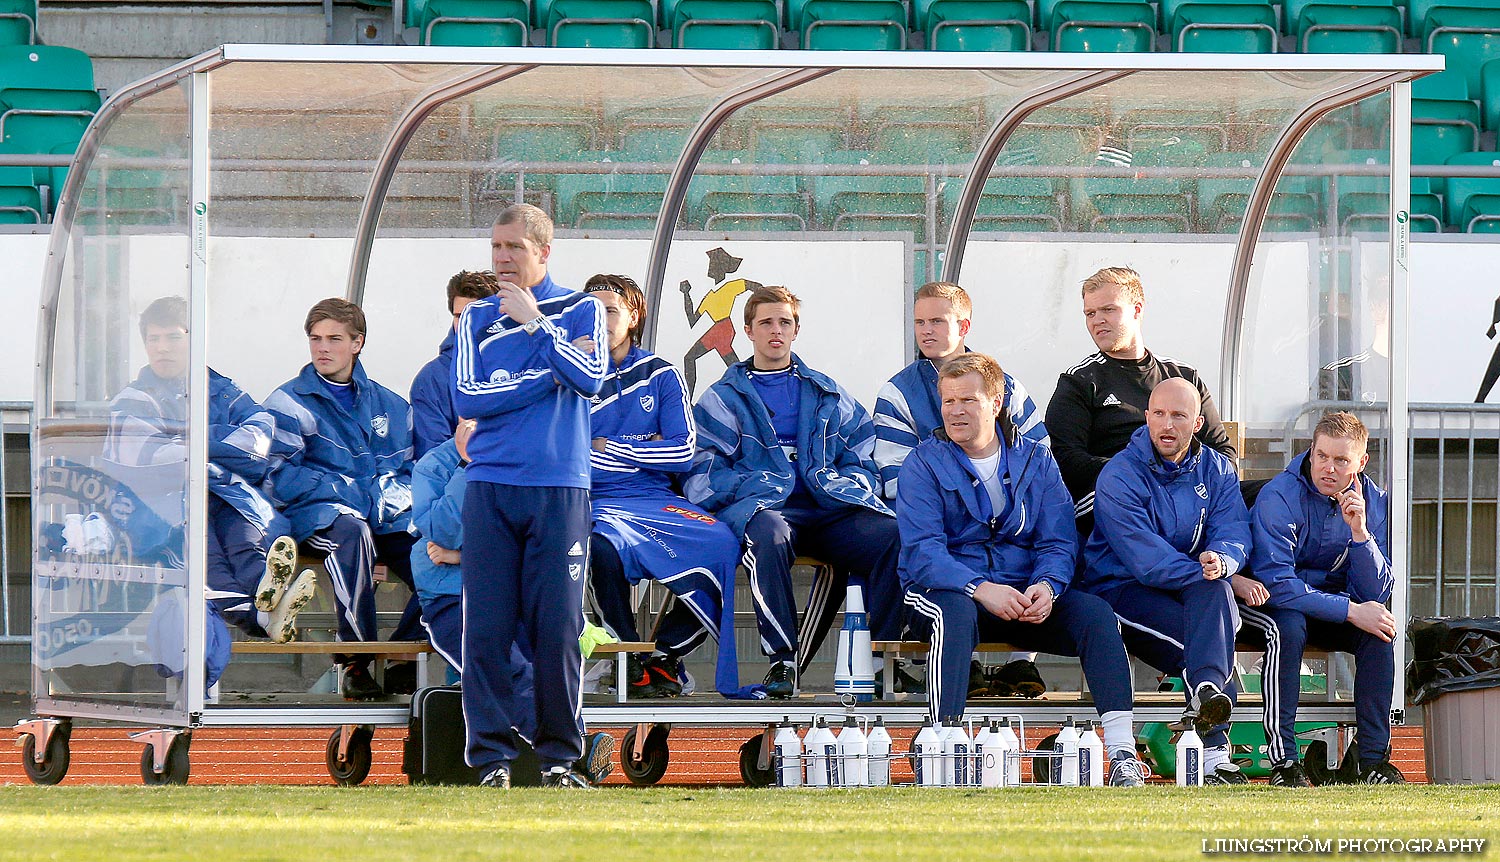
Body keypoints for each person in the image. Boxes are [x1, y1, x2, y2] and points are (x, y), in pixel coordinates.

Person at [896, 352, 1148, 787]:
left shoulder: (1036, 459)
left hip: (1022, 595)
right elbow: (923, 552)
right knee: (951, 614)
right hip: (945, 591)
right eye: (948, 401)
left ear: (996, 403)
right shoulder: (922, 462)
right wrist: (979, 587)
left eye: (968, 400)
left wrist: (1047, 587)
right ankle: (944, 740)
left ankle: (1122, 750)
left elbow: (1058, 540)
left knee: (1095, 615)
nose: (956, 410)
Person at [452, 203, 607, 789]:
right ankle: (490, 759)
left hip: (560, 488)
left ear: (544, 251)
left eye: (513, 247)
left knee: (557, 630)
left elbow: (590, 379)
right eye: (495, 247)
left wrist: (538, 325)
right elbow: (469, 398)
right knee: (486, 628)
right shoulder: (476, 320)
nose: (501, 258)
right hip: (491, 486)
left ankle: (560, 759)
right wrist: (550, 373)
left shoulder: (580, 308)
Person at [686, 285, 902, 699]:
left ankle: (880, 659)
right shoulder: (722, 397)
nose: (776, 330)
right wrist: (754, 486)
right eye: (765, 322)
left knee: (892, 535)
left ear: (796, 329)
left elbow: (862, 452)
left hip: (828, 508)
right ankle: (782, 662)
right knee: (768, 535)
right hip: (768, 510)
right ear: (748, 330)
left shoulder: (825, 391)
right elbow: (703, 470)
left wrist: (854, 484)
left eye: (784, 322)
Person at [408, 416, 617, 783]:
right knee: (508, 665)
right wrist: (467, 464)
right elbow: (442, 530)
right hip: (449, 596)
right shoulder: (434, 465)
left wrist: (460, 553)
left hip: (515, 587)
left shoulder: (528, 462)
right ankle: (574, 755)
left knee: (550, 653)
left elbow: (520, 542)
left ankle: (566, 755)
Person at [104, 297, 316, 657]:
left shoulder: (222, 389)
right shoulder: (134, 398)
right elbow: (147, 460)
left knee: (249, 542)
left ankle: (271, 607)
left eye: (172, 337)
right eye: (153, 339)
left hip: (227, 494)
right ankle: (261, 620)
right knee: (207, 559)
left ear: (195, 340)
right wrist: (219, 442)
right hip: (166, 507)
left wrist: (190, 439)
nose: (161, 348)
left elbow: (257, 443)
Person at [873, 280, 1049, 698]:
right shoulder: (897, 392)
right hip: (940, 522)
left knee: (1052, 536)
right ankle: (961, 660)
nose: (926, 330)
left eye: (938, 320)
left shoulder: (1005, 385)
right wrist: (965, 505)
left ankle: (1020, 662)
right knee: (913, 542)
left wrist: (1004, 509)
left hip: (1008, 519)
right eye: (919, 322)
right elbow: (894, 475)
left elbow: (1040, 456)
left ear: (964, 325)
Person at [582, 274, 748, 699]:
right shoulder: (569, 376)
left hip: (654, 498)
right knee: (598, 548)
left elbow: (681, 451)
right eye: (592, 310)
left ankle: (665, 655)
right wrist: (642, 444)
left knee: (725, 543)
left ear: (634, 316)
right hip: (592, 499)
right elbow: (567, 453)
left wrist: (612, 446)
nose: (600, 319)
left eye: (611, 310)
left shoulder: (660, 372)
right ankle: (626, 654)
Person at [1080, 378, 1250, 784]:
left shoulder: (1218, 468)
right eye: (1159, 414)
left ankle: (1207, 697)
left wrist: (1223, 560)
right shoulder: (1120, 474)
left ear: (1196, 423)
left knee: (1217, 591)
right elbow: (1145, 561)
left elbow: (1235, 530)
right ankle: (1214, 754)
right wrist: (1206, 570)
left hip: (1186, 585)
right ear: (1146, 417)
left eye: (1178, 415)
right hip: (1121, 587)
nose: (1167, 425)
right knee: (1209, 643)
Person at [263, 298, 421, 701]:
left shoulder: (391, 404)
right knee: (351, 534)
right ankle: (354, 661)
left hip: (381, 516)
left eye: (334, 338)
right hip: (317, 519)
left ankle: (403, 655)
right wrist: (342, 493)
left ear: (358, 343)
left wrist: (391, 500)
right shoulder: (288, 402)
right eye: (315, 339)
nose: (322, 348)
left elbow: (409, 469)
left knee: (441, 554)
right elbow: (275, 475)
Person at [1244, 412, 1404, 785]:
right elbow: (1277, 583)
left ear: (1361, 463)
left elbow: (1377, 593)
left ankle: (1372, 762)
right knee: (1290, 628)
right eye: (1321, 456)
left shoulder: (1375, 502)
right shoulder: (1279, 495)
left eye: (1341, 460)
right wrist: (1350, 610)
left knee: (1380, 630)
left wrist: (1360, 535)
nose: (1328, 468)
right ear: (1311, 452)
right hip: (1276, 603)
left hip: (1334, 606)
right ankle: (1284, 761)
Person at [1046, 266, 1237, 536]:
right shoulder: (1079, 381)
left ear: (1137, 309)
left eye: (1108, 310)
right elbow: (1067, 461)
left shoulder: (1183, 378)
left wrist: (1180, 478)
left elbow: (1224, 455)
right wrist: (1144, 474)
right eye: (1090, 313)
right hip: (1119, 500)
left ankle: (1251, 569)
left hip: (1189, 493)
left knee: (1266, 493)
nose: (1097, 320)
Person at [410, 270, 500, 461]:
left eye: (475, 315)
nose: (467, 323)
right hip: (461, 485)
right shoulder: (431, 379)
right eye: (460, 316)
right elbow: (433, 461)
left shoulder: (523, 365)